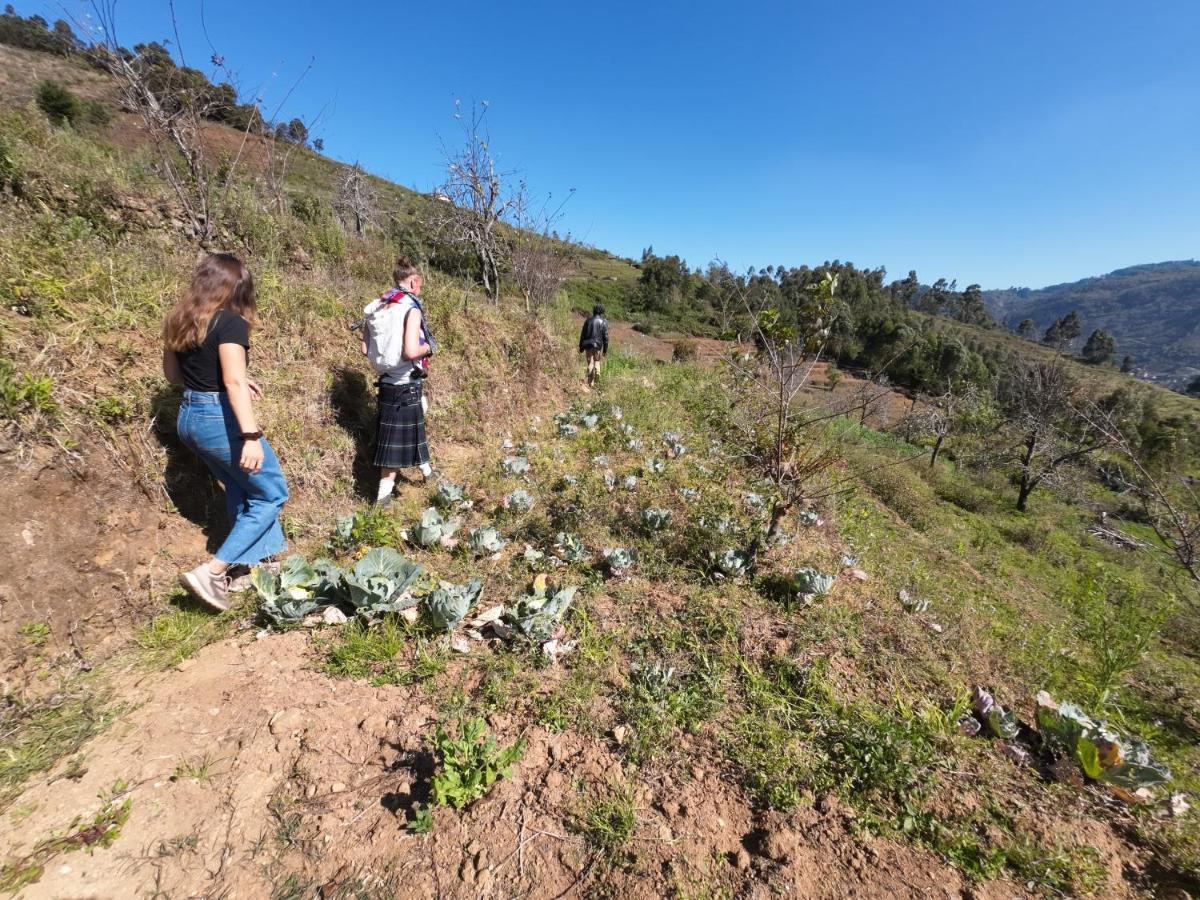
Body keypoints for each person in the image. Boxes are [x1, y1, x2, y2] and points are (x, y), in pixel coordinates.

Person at [162, 253, 289, 612]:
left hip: (189, 417)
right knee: (271, 493)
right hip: (220, 419)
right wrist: (250, 436)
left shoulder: (179, 319)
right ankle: (214, 571)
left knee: (239, 486)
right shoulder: (231, 322)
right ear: (236, 289)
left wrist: (228, 381)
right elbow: (232, 381)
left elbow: (174, 376)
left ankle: (250, 567)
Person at [361, 256, 436, 506]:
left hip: (386, 382)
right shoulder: (410, 309)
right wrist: (428, 347)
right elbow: (411, 352)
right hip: (406, 382)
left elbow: (365, 349)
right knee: (394, 442)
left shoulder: (375, 306)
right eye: (421, 284)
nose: (421, 289)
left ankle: (427, 472)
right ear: (414, 281)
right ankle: (383, 497)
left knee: (416, 424)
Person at [578, 303, 609, 387]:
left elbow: (583, 335)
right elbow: (606, 337)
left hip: (588, 345)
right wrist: (605, 350)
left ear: (594, 311)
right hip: (598, 346)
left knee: (590, 362)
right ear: (602, 312)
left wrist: (581, 347)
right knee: (597, 361)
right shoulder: (604, 322)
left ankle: (590, 383)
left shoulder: (588, 320)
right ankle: (597, 371)